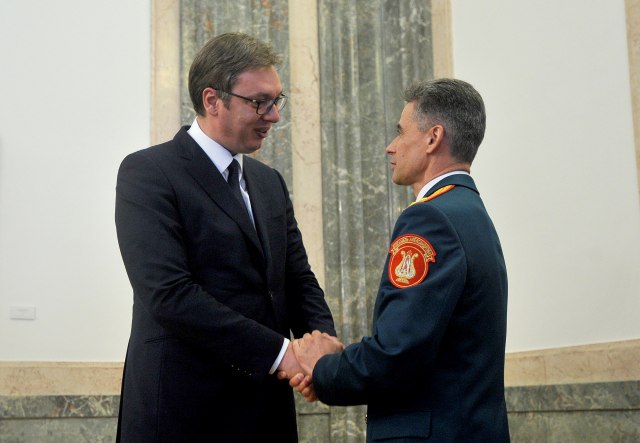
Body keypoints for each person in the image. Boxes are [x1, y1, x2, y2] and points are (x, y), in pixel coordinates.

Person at [114, 32, 336, 442]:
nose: (274, 116)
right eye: (260, 102)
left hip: (265, 412)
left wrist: (319, 348)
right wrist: (283, 355)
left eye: (277, 100)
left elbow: (297, 278)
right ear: (212, 99)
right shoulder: (148, 173)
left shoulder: (269, 182)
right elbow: (170, 293)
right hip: (184, 413)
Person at [286, 78, 510, 442]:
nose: (390, 147)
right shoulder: (471, 213)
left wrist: (322, 367)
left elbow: (397, 354)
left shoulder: (430, 219)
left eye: (401, 132)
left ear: (433, 138)